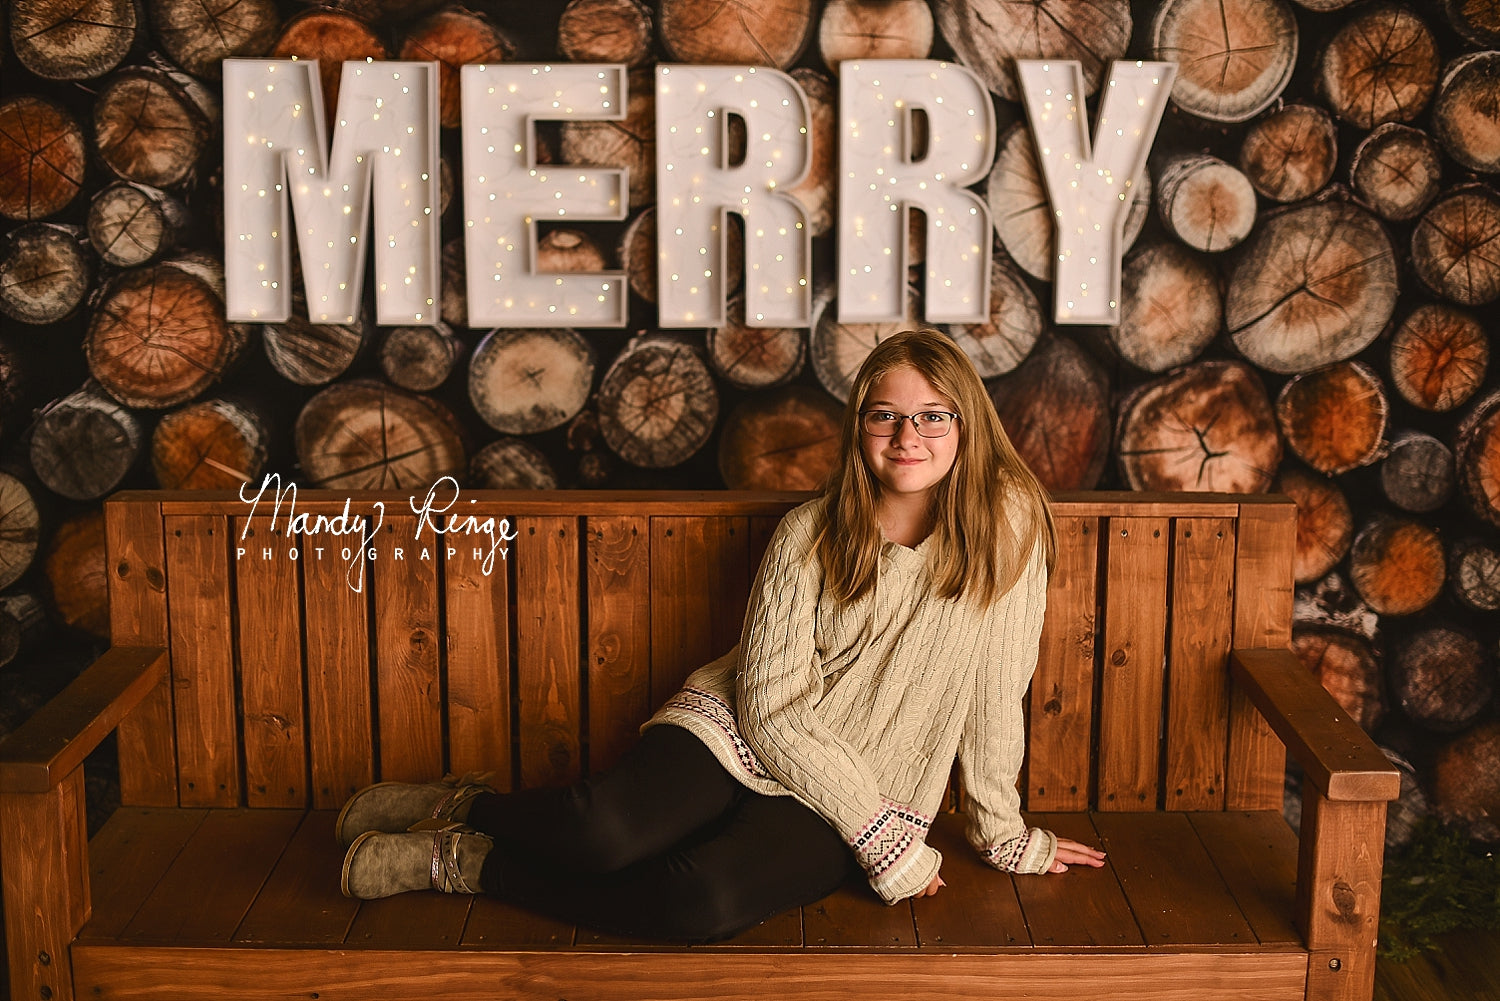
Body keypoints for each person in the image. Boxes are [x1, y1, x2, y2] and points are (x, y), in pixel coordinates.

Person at [336, 327, 1107, 942]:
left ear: (966, 424)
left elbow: (997, 690)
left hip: (864, 781)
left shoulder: (1008, 525)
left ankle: (466, 863)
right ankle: (470, 805)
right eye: (886, 414)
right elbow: (770, 710)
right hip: (740, 730)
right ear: (860, 427)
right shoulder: (810, 532)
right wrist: (885, 840)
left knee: (698, 899)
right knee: (601, 832)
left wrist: (1002, 832)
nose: (909, 435)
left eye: (933, 415)